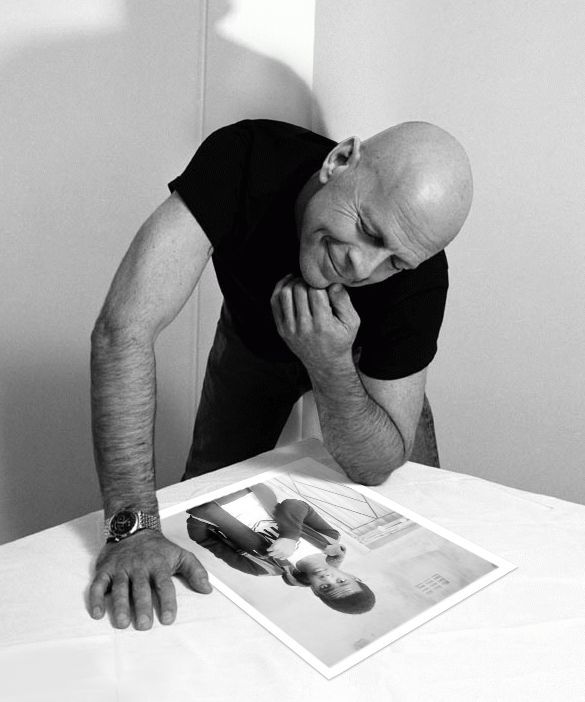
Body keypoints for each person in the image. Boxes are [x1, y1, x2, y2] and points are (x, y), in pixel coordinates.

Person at [89, 118, 473, 630]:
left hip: (356, 369)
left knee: (414, 522)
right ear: (339, 162)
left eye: (395, 263)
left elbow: (375, 466)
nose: (363, 270)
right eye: (368, 231)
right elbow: (123, 331)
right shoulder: (244, 158)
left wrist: (330, 363)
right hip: (251, 343)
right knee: (203, 505)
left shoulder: (420, 276)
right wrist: (133, 531)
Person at [186, 486, 375, 614]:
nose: (327, 578)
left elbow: (205, 540)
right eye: (341, 581)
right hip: (243, 487)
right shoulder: (329, 538)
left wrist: (200, 516)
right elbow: (294, 504)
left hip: (199, 501)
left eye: (325, 587)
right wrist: (290, 536)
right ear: (353, 576)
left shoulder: (261, 569)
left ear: (316, 591)